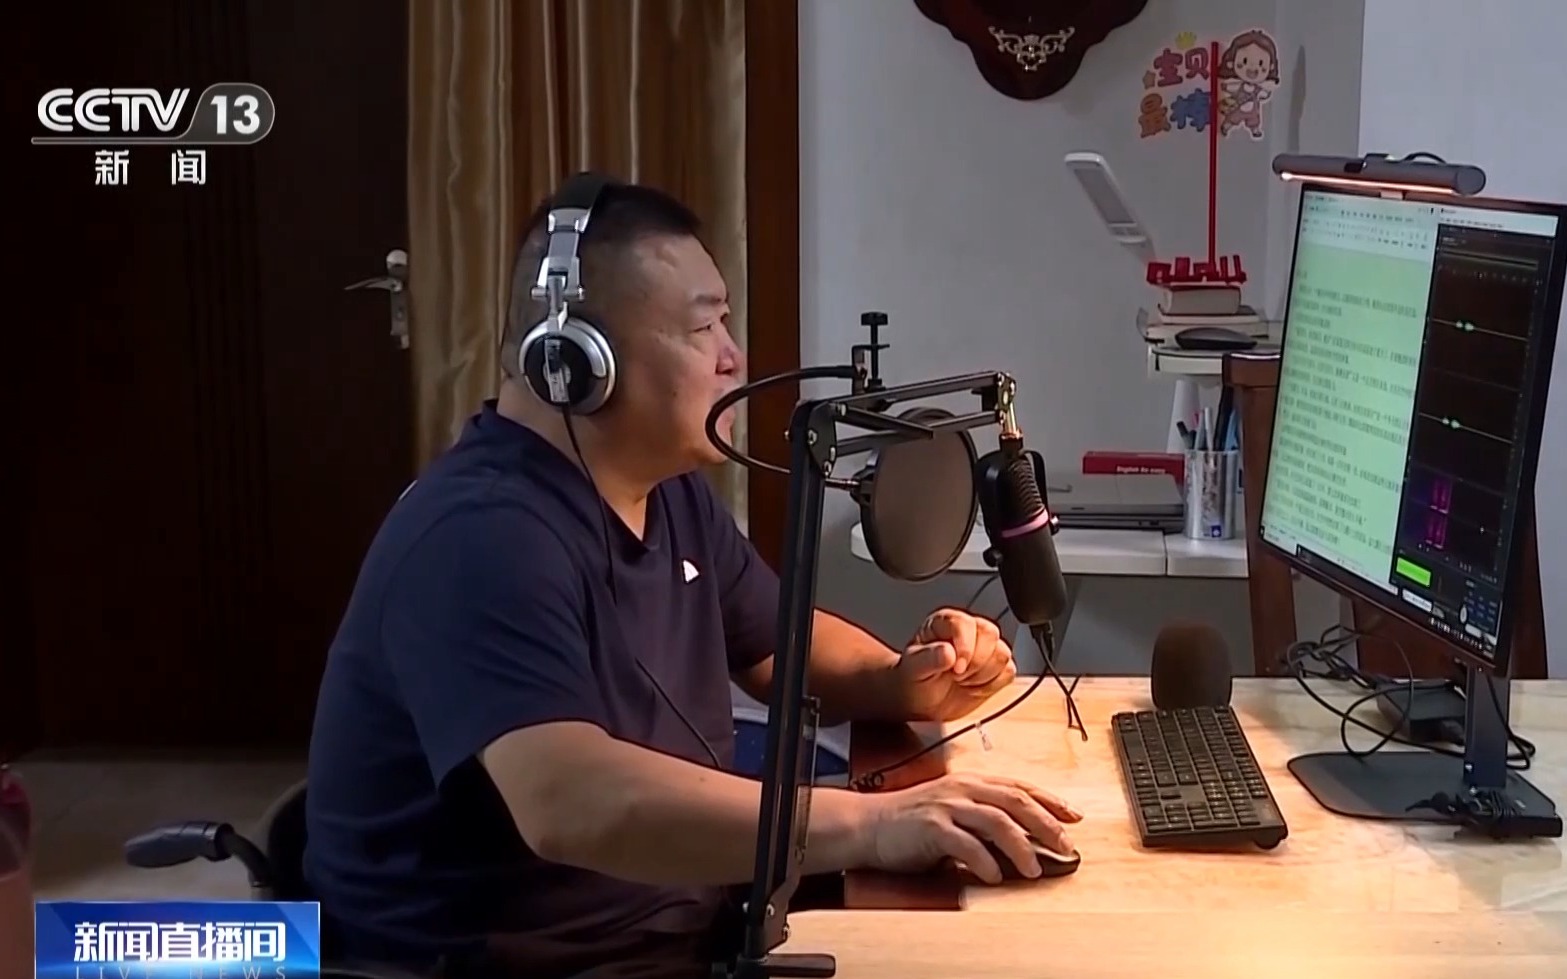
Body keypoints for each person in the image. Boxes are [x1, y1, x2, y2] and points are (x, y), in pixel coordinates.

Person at [302, 174, 1080, 978]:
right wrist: (874, 824)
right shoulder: (479, 537)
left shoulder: (665, 491)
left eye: (726, 321)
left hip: (684, 925)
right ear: (575, 363)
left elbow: (774, 642)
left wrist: (903, 679)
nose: (733, 356)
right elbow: (565, 799)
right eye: (702, 327)